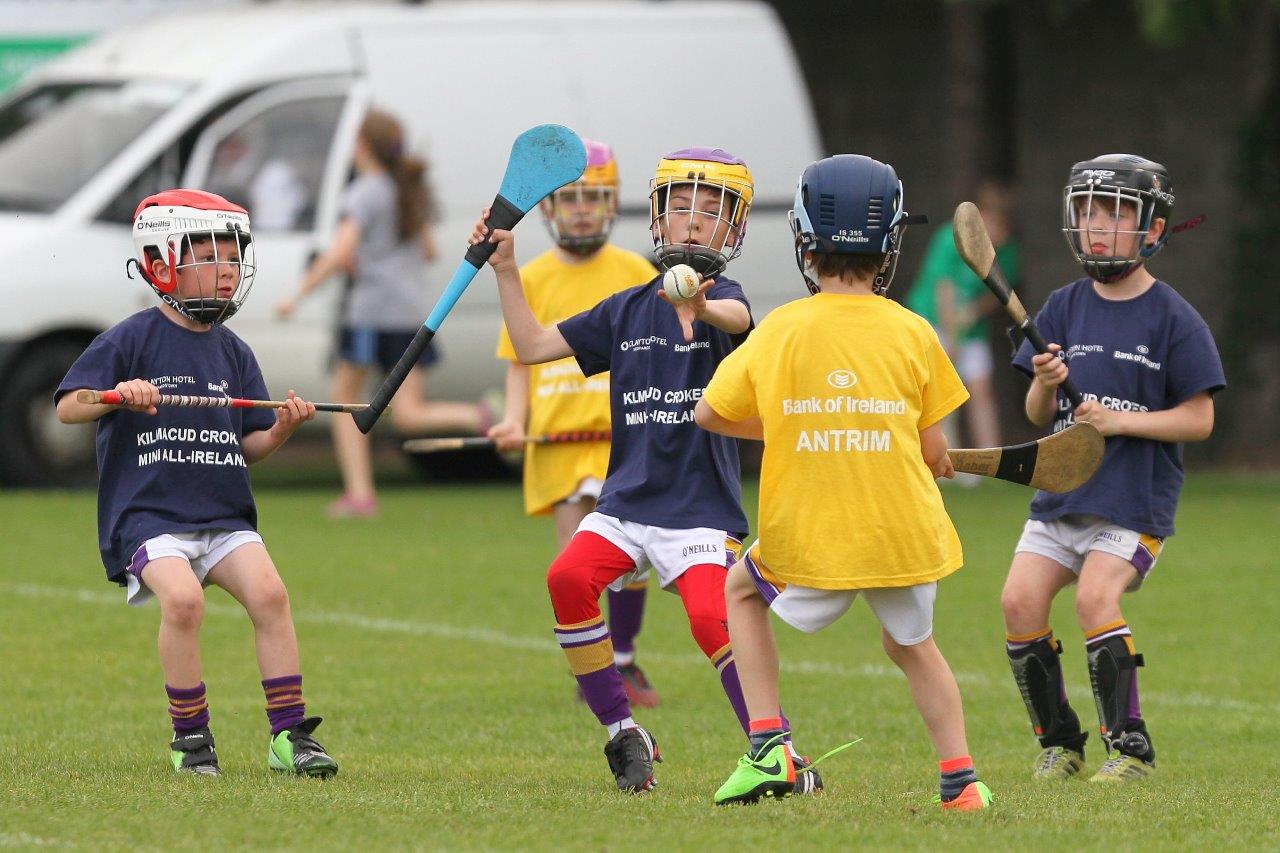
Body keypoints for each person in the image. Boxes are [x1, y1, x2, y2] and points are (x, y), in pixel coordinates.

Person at [471, 147, 820, 796]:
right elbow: (531, 346)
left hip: (699, 511)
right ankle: (622, 731)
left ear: (734, 229)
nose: (692, 222)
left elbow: (740, 320)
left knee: (711, 619)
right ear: (657, 218)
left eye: (710, 211)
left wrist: (700, 304)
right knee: (567, 577)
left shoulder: (733, 305)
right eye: (680, 206)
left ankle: (780, 751)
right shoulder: (625, 308)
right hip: (626, 502)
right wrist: (507, 271)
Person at [696, 154, 992, 811]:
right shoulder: (914, 331)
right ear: (891, 242)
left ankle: (767, 746)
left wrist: (787, 425)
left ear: (804, 240)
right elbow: (931, 448)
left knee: (740, 590)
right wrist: (932, 454)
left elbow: (709, 411)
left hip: (812, 541)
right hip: (902, 537)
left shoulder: (781, 328)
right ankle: (961, 780)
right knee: (913, 646)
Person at [55, 189, 338, 778]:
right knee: (182, 602)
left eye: (233, 259)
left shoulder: (234, 351)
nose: (227, 271)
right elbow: (69, 407)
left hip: (224, 516)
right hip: (151, 517)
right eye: (209, 258)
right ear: (161, 266)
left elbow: (250, 444)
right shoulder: (128, 340)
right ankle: (192, 742)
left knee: (271, 598)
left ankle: (289, 737)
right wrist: (117, 394)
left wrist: (283, 429)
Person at [999, 154, 1224, 783]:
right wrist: (1045, 385)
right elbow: (1035, 409)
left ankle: (1129, 750)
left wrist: (1122, 422)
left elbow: (1199, 419)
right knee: (1018, 603)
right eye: (1087, 211)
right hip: (1062, 499)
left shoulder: (1174, 318)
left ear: (1153, 229)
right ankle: (1061, 745)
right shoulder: (1064, 307)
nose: (1098, 225)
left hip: (1132, 504)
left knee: (1097, 598)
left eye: (1116, 212)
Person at [487, 139, 662, 707]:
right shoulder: (532, 276)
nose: (582, 208)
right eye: (570, 198)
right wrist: (515, 421)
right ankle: (596, 675)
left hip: (624, 442)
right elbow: (519, 358)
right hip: (561, 446)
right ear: (547, 208)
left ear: (612, 204)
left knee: (630, 561)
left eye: (594, 196)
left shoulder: (636, 272)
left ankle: (627, 658)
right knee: (578, 565)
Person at [277, 108, 491, 518]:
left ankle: (360, 494)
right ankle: (477, 413)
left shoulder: (364, 192)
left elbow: (340, 251)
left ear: (361, 146)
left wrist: (298, 294)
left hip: (370, 315)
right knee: (408, 414)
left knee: (344, 399)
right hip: (412, 316)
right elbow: (427, 252)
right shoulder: (406, 189)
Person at [906, 181, 1018, 461]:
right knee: (935, 395)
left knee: (981, 389)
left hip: (971, 329)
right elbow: (943, 288)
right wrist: (952, 336)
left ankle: (989, 457)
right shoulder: (950, 237)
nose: (1001, 234)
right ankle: (936, 457)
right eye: (996, 225)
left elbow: (1000, 294)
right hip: (934, 323)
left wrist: (974, 312)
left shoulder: (1007, 250)